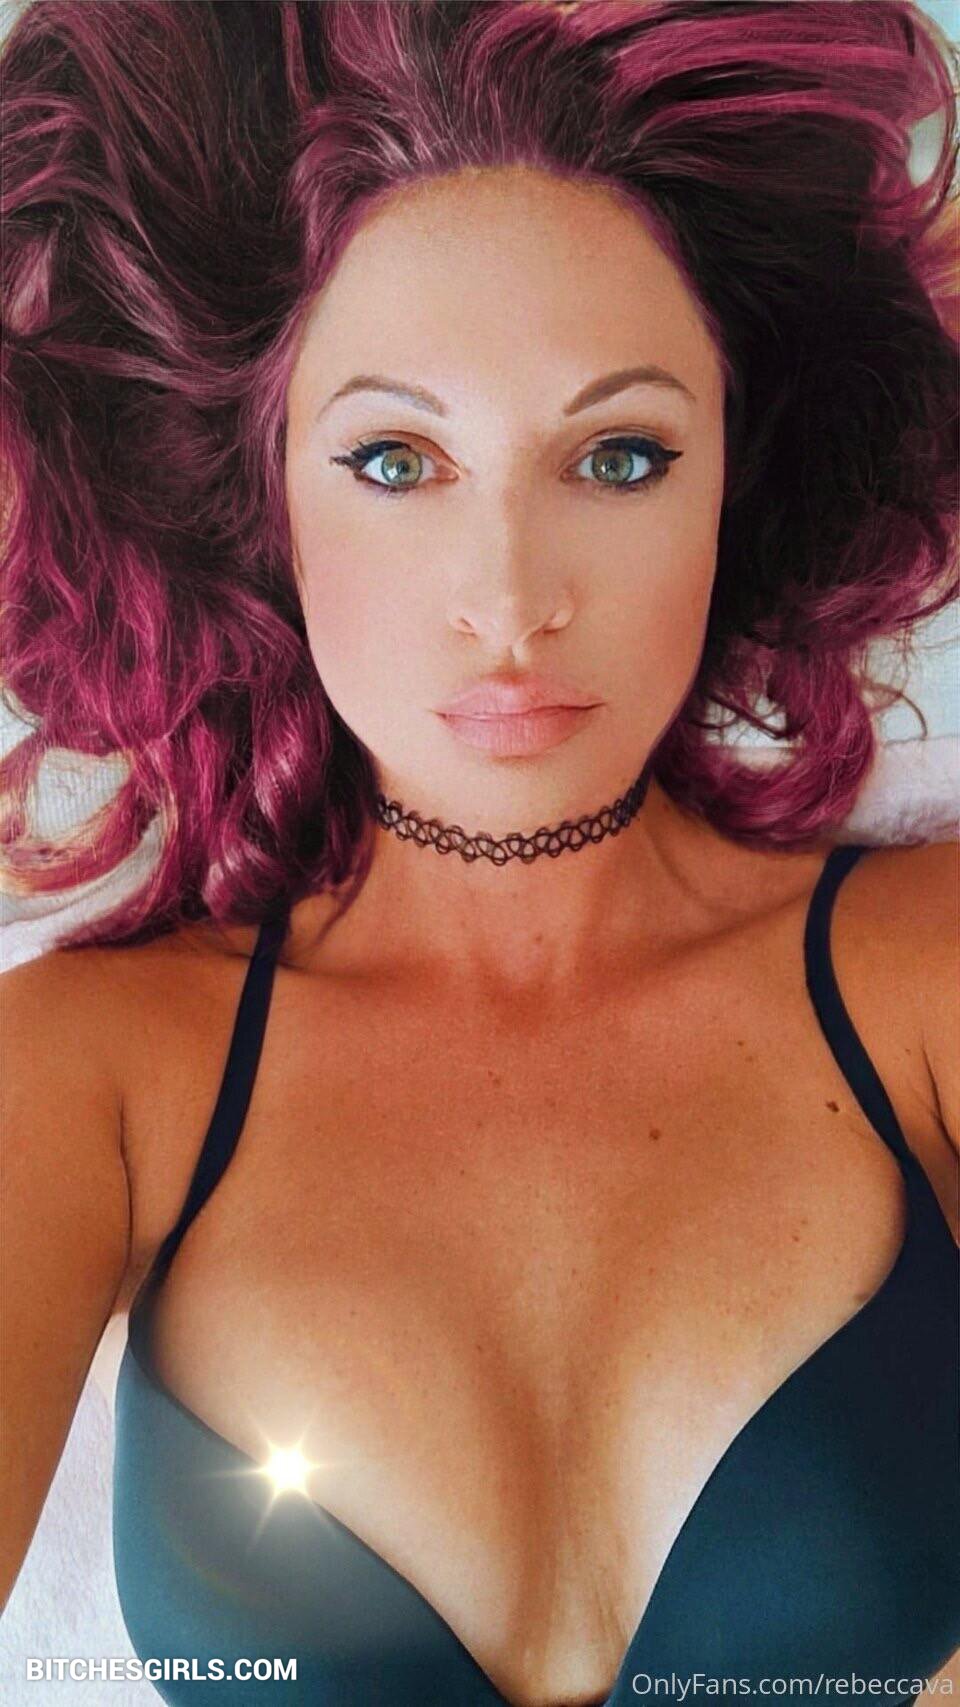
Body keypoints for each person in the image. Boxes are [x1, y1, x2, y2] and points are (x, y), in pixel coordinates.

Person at [1, 1, 958, 1702]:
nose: (512, 600)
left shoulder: (928, 980)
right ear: (261, 495)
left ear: (738, 477)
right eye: (395, 460)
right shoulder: (97, 1074)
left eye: (618, 457)